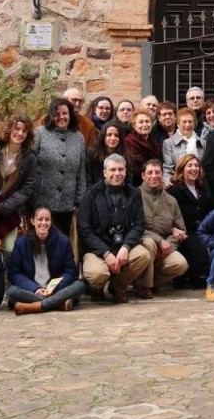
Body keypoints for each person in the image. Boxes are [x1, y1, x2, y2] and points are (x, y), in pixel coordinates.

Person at [78, 154, 150, 303]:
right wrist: (105, 253)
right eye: (112, 170)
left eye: (120, 170)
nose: (117, 173)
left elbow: (139, 224)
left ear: (125, 171)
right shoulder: (91, 194)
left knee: (143, 255)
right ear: (104, 172)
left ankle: (117, 288)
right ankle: (97, 288)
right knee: (97, 273)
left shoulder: (134, 193)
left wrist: (126, 246)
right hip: (97, 249)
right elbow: (84, 230)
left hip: (122, 244)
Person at [6, 207, 85, 314]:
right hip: (32, 291)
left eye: (47, 219)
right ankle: (58, 304)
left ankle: (37, 305)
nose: (43, 223)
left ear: (51, 221)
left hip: (55, 290)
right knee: (12, 291)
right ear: (33, 221)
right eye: (40, 219)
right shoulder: (21, 243)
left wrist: (54, 288)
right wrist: (35, 289)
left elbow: (70, 271)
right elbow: (14, 273)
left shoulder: (62, 241)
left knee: (80, 286)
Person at [33, 97, 86, 236]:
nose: (61, 117)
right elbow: (29, 165)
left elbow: (81, 172)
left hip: (67, 203)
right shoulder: (39, 133)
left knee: (61, 244)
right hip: (42, 200)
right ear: (51, 115)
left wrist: (79, 200)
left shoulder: (78, 138)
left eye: (65, 113)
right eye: (57, 114)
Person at [0, 114, 37, 254]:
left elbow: (27, 188)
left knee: (9, 249)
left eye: (24, 131)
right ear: (9, 129)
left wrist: (5, 207)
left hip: (10, 211)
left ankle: (6, 276)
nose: (20, 133)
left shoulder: (29, 157)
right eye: (17, 129)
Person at [137, 160, 188, 297]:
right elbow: (135, 228)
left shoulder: (171, 200)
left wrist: (168, 245)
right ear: (143, 176)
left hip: (163, 249)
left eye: (157, 172)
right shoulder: (135, 196)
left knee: (180, 264)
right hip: (141, 247)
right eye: (150, 172)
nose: (154, 176)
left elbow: (181, 229)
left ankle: (148, 282)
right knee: (149, 243)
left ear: (162, 174)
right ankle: (145, 286)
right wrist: (159, 241)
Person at [167, 154, 212, 285]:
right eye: (190, 165)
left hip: (203, 231)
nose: (194, 169)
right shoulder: (173, 190)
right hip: (185, 232)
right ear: (181, 169)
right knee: (199, 250)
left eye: (196, 165)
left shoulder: (203, 188)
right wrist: (173, 228)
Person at [162, 107, 204, 183]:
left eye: (190, 121)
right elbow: (168, 169)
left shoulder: (202, 143)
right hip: (178, 186)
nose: (187, 124)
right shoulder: (168, 143)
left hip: (198, 186)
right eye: (184, 122)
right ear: (178, 124)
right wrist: (167, 182)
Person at [124, 109, 160, 186]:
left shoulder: (155, 143)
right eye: (141, 122)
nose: (145, 125)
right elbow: (133, 168)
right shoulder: (128, 143)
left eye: (147, 121)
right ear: (134, 125)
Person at [87, 120, 126, 188]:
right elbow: (88, 180)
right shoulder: (92, 154)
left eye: (116, 135)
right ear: (103, 137)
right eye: (109, 135)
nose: (113, 138)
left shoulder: (126, 155)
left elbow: (128, 181)